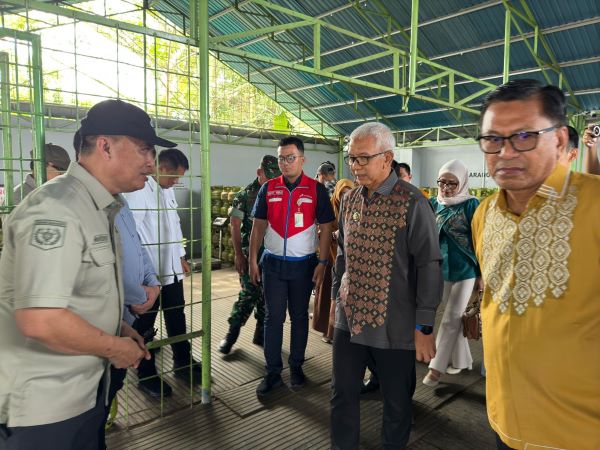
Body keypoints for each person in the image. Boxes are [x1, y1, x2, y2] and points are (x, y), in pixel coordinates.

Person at [0, 98, 174, 449]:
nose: (151, 162)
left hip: (83, 394)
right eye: (143, 149)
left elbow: (79, 295)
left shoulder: (99, 207)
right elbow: (41, 320)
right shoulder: (57, 210)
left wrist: (119, 328)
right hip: (43, 408)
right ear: (105, 145)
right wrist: (114, 347)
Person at [473, 79, 600, 450]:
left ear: (560, 141)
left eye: (524, 136)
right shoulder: (485, 214)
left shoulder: (594, 206)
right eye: (493, 139)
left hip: (579, 435)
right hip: (502, 423)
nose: (505, 152)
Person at [331, 122, 443, 449]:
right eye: (352, 158)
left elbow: (429, 265)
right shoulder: (350, 199)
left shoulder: (413, 202)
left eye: (363, 158)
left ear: (387, 158)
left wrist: (424, 326)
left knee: (396, 404)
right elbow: (342, 256)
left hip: (396, 325)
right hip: (349, 320)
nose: (355, 166)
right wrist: (338, 300)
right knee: (342, 395)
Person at [249, 136, 335, 396]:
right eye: (281, 158)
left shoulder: (315, 189)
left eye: (290, 158)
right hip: (273, 265)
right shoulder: (269, 188)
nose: (285, 163)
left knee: (299, 318)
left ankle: (296, 366)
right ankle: (272, 372)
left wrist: (322, 261)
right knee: (273, 318)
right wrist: (253, 258)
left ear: (302, 159)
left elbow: (327, 226)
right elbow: (258, 225)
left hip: (303, 266)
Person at [123, 148, 202, 398]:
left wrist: (181, 255)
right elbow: (130, 237)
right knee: (145, 324)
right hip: (148, 275)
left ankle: (182, 360)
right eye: (175, 177)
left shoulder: (166, 191)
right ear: (161, 168)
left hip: (171, 270)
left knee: (177, 315)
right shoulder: (138, 193)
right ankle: (146, 374)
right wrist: (140, 277)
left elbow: (174, 224)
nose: (177, 182)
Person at [422, 159, 480, 387]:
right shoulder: (434, 203)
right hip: (441, 268)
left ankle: (436, 368)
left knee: (449, 319)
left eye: (452, 184)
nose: (446, 188)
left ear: (463, 182)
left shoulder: (471, 204)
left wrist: (482, 274)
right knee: (452, 315)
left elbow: (480, 240)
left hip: (467, 269)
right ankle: (463, 359)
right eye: (442, 182)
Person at [218, 155, 281, 354]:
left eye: (275, 178)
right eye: (268, 177)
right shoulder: (243, 196)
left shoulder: (278, 194)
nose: (271, 181)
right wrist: (238, 255)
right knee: (249, 294)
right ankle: (231, 334)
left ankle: (260, 333)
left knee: (267, 296)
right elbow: (235, 227)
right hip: (249, 255)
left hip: (271, 256)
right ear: (259, 172)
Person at [312, 178, 354, 344]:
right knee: (328, 297)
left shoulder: (355, 207)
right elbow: (321, 229)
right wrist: (332, 235)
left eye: (348, 192)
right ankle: (327, 331)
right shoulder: (330, 207)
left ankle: (340, 332)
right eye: (342, 193)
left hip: (346, 260)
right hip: (329, 258)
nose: (345, 196)